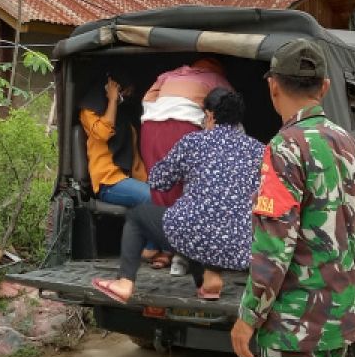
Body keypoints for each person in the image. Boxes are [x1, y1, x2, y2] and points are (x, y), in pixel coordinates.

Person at [230, 39, 355, 357]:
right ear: (324, 87)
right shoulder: (348, 144)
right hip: (336, 325)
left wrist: (247, 318)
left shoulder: (284, 149)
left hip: (292, 332)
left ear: (272, 87)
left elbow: (274, 249)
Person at [90, 87, 264, 302]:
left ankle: (124, 282)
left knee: (142, 216)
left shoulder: (193, 142)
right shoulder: (259, 150)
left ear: (210, 115)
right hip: (240, 246)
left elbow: (158, 181)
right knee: (210, 220)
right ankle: (209, 282)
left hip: (195, 233)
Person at [140, 57, 233, 272]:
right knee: (191, 187)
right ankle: (185, 254)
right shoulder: (216, 78)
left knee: (162, 187)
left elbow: (147, 99)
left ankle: (167, 250)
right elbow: (229, 108)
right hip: (185, 127)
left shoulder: (167, 75)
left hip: (150, 129)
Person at [78, 70, 149, 207]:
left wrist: (147, 182)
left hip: (127, 179)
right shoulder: (90, 111)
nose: (128, 95)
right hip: (108, 182)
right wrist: (112, 100)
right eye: (125, 92)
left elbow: (135, 160)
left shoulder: (125, 119)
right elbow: (104, 133)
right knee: (149, 198)